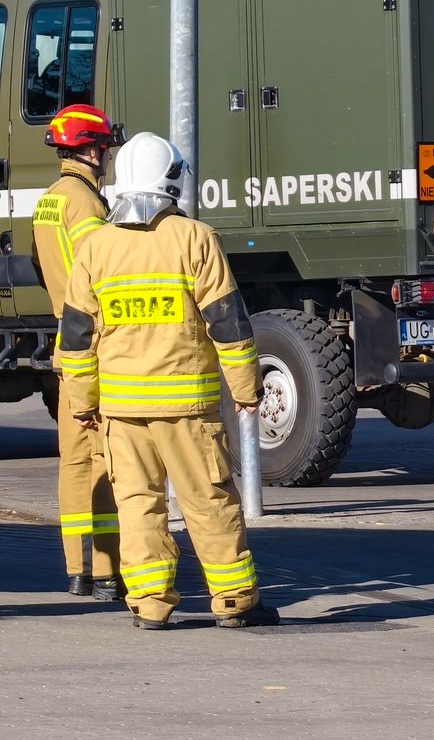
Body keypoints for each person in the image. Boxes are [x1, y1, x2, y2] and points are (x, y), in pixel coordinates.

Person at [58, 131, 277, 628]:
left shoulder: (95, 249)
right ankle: (235, 602)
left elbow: (75, 339)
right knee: (209, 501)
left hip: (120, 413)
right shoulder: (194, 238)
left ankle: (151, 606)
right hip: (188, 412)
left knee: (137, 505)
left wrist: (82, 403)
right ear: (171, 180)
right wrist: (246, 390)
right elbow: (227, 323)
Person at [31, 104, 124, 599]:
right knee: (104, 458)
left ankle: (76, 568)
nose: (106, 156)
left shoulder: (48, 199)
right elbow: (101, 269)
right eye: (104, 148)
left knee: (72, 460)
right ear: (91, 149)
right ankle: (109, 569)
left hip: (66, 346)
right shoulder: (85, 204)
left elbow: (44, 267)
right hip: (97, 344)